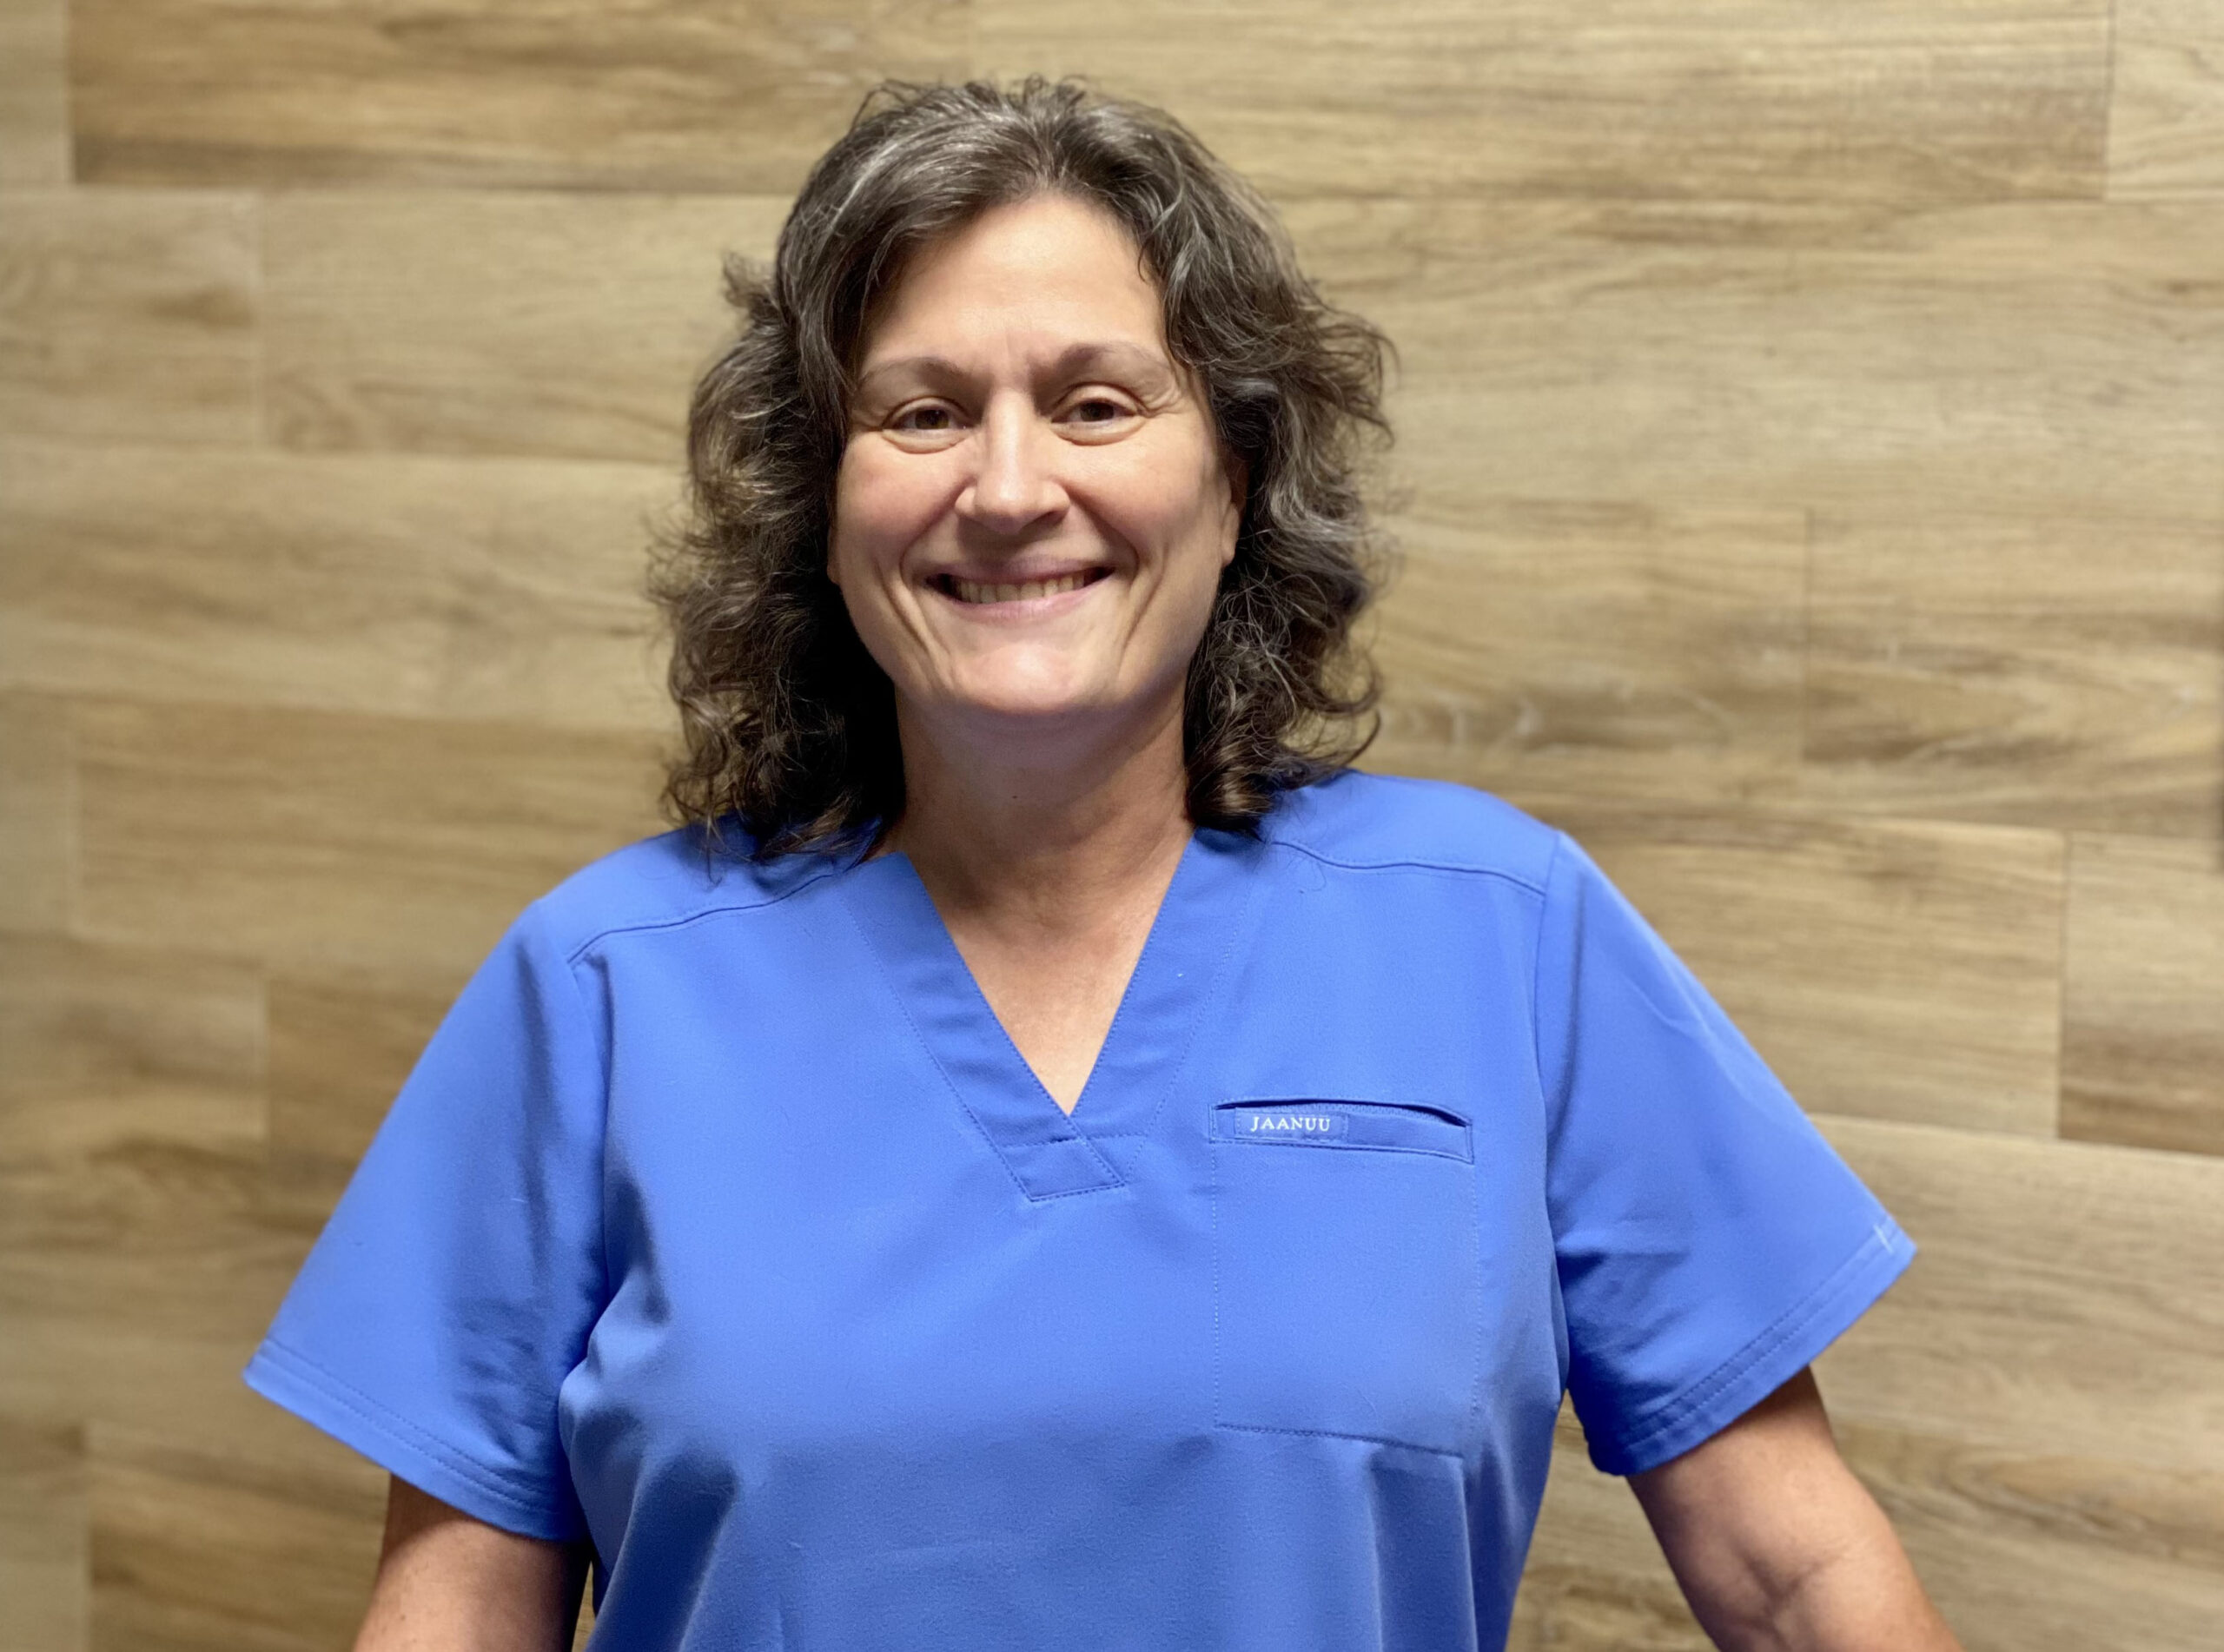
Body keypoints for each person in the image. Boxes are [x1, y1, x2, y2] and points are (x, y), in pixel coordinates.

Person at [242, 76, 1961, 1652]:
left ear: (1232, 480)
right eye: (919, 413)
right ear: (818, 512)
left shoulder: (1500, 934)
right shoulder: (603, 985)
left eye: (1092, 402)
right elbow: (457, 1617)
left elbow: (1794, 1573)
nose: (1007, 487)